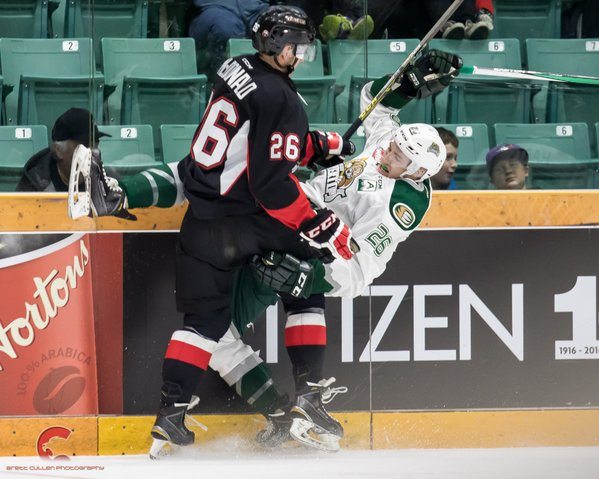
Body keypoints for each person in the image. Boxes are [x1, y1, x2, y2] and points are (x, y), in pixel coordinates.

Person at [15, 108, 110, 192]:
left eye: (95, 144)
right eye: (85, 145)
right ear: (59, 150)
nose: (94, 152)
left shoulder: (106, 181)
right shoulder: (33, 188)